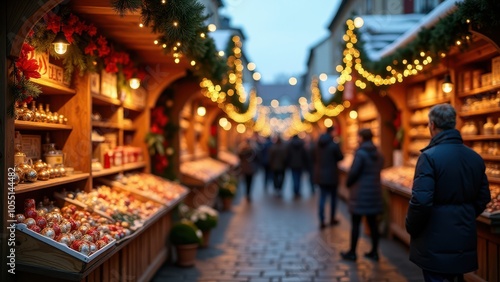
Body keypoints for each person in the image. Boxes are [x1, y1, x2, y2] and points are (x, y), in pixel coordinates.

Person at [405, 103, 491, 281]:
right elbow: (484, 197)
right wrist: (464, 213)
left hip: (434, 239)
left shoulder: (429, 157)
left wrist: (411, 226)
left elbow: (421, 200)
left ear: (432, 125)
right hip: (463, 236)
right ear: (454, 124)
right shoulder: (474, 157)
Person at [341, 128, 384, 262]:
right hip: (374, 192)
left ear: (361, 138)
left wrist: (348, 183)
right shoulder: (378, 153)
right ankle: (375, 252)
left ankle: (352, 252)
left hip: (360, 193)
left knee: (355, 223)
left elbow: (354, 172)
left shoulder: (360, 154)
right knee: (373, 224)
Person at [313, 126, 344, 228]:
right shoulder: (333, 144)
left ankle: (322, 219)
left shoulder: (318, 144)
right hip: (332, 175)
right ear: (332, 132)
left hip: (320, 175)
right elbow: (340, 157)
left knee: (322, 197)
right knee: (333, 198)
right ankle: (332, 218)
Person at [237, 137, 259, 202]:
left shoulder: (242, 149)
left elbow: (239, 157)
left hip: (244, 168)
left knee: (245, 181)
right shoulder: (254, 149)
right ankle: (248, 193)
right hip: (251, 168)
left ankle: (246, 193)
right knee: (250, 182)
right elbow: (257, 159)